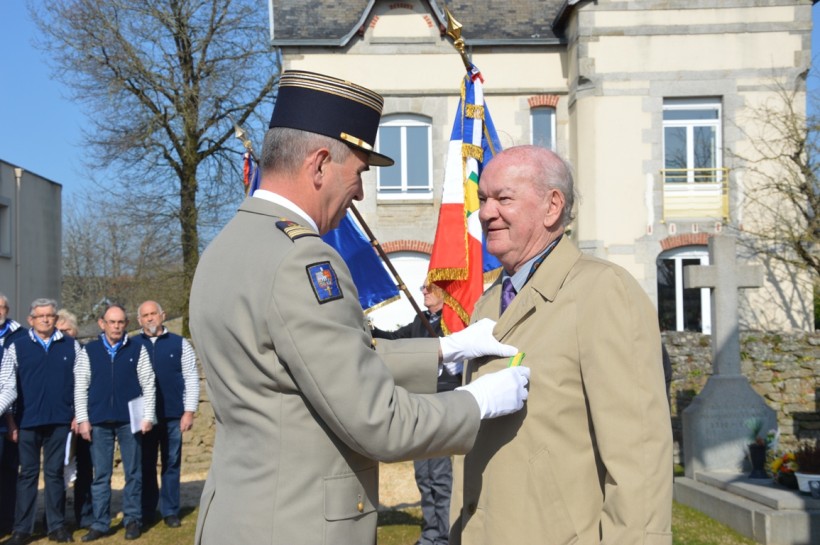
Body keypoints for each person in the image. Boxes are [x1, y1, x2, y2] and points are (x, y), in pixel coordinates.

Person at [189, 69, 530, 545]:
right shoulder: (302, 259)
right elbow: (379, 421)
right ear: (320, 164)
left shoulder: (226, 248)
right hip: (297, 525)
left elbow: (310, 365)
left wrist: (444, 350)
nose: (361, 193)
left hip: (241, 516)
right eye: (359, 173)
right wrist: (480, 400)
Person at [449, 145, 673, 545]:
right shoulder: (488, 302)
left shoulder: (603, 291)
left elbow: (638, 454)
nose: (484, 212)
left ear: (552, 207)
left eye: (503, 198)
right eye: (483, 199)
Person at [372, 283, 459, 545]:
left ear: (444, 291)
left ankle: (444, 535)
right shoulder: (420, 321)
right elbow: (397, 339)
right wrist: (370, 332)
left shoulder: (454, 320)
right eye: (422, 288)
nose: (423, 292)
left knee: (441, 477)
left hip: (444, 402)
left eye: (429, 288)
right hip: (421, 402)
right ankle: (431, 532)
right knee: (424, 475)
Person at [0, 299, 80, 544]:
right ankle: (22, 529)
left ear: (56, 319)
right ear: (30, 319)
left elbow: (81, 384)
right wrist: (11, 422)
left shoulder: (71, 346)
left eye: (50, 315)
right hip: (27, 422)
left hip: (60, 422)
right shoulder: (18, 347)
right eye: (41, 315)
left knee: (55, 474)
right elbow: (7, 386)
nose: (45, 319)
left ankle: (56, 526)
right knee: (28, 476)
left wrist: (78, 415)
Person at [74, 304, 156, 542]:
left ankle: (132, 520)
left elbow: (148, 383)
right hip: (98, 421)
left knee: (133, 472)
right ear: (102, 324)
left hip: (130, 420)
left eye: (121, 322)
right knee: (101, 475)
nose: (117, 326)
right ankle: (100, 523)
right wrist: (83, 420)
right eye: (112, 322)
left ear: (126, 324)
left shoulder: (137, 348)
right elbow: (81, 387)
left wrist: (148, 416)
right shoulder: (89, 351)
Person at [136, 300, 199, 528]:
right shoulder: (133, 345)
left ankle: (170, 510)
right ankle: (147, 510)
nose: (150, 318)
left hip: (173, 414)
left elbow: (191, 378)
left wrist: (189, 411)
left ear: (162, 315)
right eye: (145, 315)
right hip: (145, 417)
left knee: (171, 463)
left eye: (154, 313)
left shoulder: (179, 344)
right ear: (139, 320)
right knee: (146, 464)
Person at [56, 309, 94, 531]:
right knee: (58, 470)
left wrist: (80, 415)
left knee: (85, 469)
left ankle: (85, 515)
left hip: (83, 420)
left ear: (75, 331)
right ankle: (56, 515)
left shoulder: (83, 353)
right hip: (60, 421)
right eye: (58, 330)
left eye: (67, 329)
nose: (63, 334)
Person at [0, 293, 25, 538]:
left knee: (8, 472)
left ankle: (6, 522)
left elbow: (9, 385)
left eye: (1, 307)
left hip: (14, 415)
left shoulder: (21, 337)